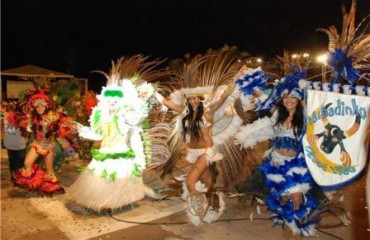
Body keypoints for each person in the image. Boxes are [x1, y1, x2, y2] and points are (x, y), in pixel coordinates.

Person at [69, 56, 164, 213]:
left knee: (122, 179)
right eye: (110, 101)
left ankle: (117, 202)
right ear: (105, 102)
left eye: (115, 102)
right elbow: (97, 135)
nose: (112, 104)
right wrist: (82, 131)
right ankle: (104, 203)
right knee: (103, 181)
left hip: (121, 153)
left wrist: (143, 98)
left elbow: (138, 119)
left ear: (120, 103)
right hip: (105, 153)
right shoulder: (101, 117)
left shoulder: (126, 117)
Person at [235, 68, 318, 238]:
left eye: (293, 97)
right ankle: (286, 218)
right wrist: (246, 75)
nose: (288, 100)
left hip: (297, 163)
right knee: (282, 198)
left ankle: (295, 226)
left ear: (299, 99)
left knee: (296, 196)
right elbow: (260, 98)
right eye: (285, 97)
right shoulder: (277, 116)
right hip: (276, 162)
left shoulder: (306, 118)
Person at [14, 90, 65, 195]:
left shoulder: (52, 117)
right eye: (37, 107)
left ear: (46, 107)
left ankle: (51, 189)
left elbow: (61, 126)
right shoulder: (33, 119)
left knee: (49, 171)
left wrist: (56, 125)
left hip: (49, 147)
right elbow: (27, 128)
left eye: (42, 106)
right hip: (37, 145)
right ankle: (34, 183)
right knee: (27, 163)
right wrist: (26, 126)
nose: (40, 108)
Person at [3, 102, 26, 184]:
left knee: (12, 161)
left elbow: (9, 130)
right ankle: (18, 178)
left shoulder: (6, 117)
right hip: (18, 145)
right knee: (20, 163)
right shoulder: (23, 118)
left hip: (10, 144)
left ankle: (14, 177)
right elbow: (27, 131)